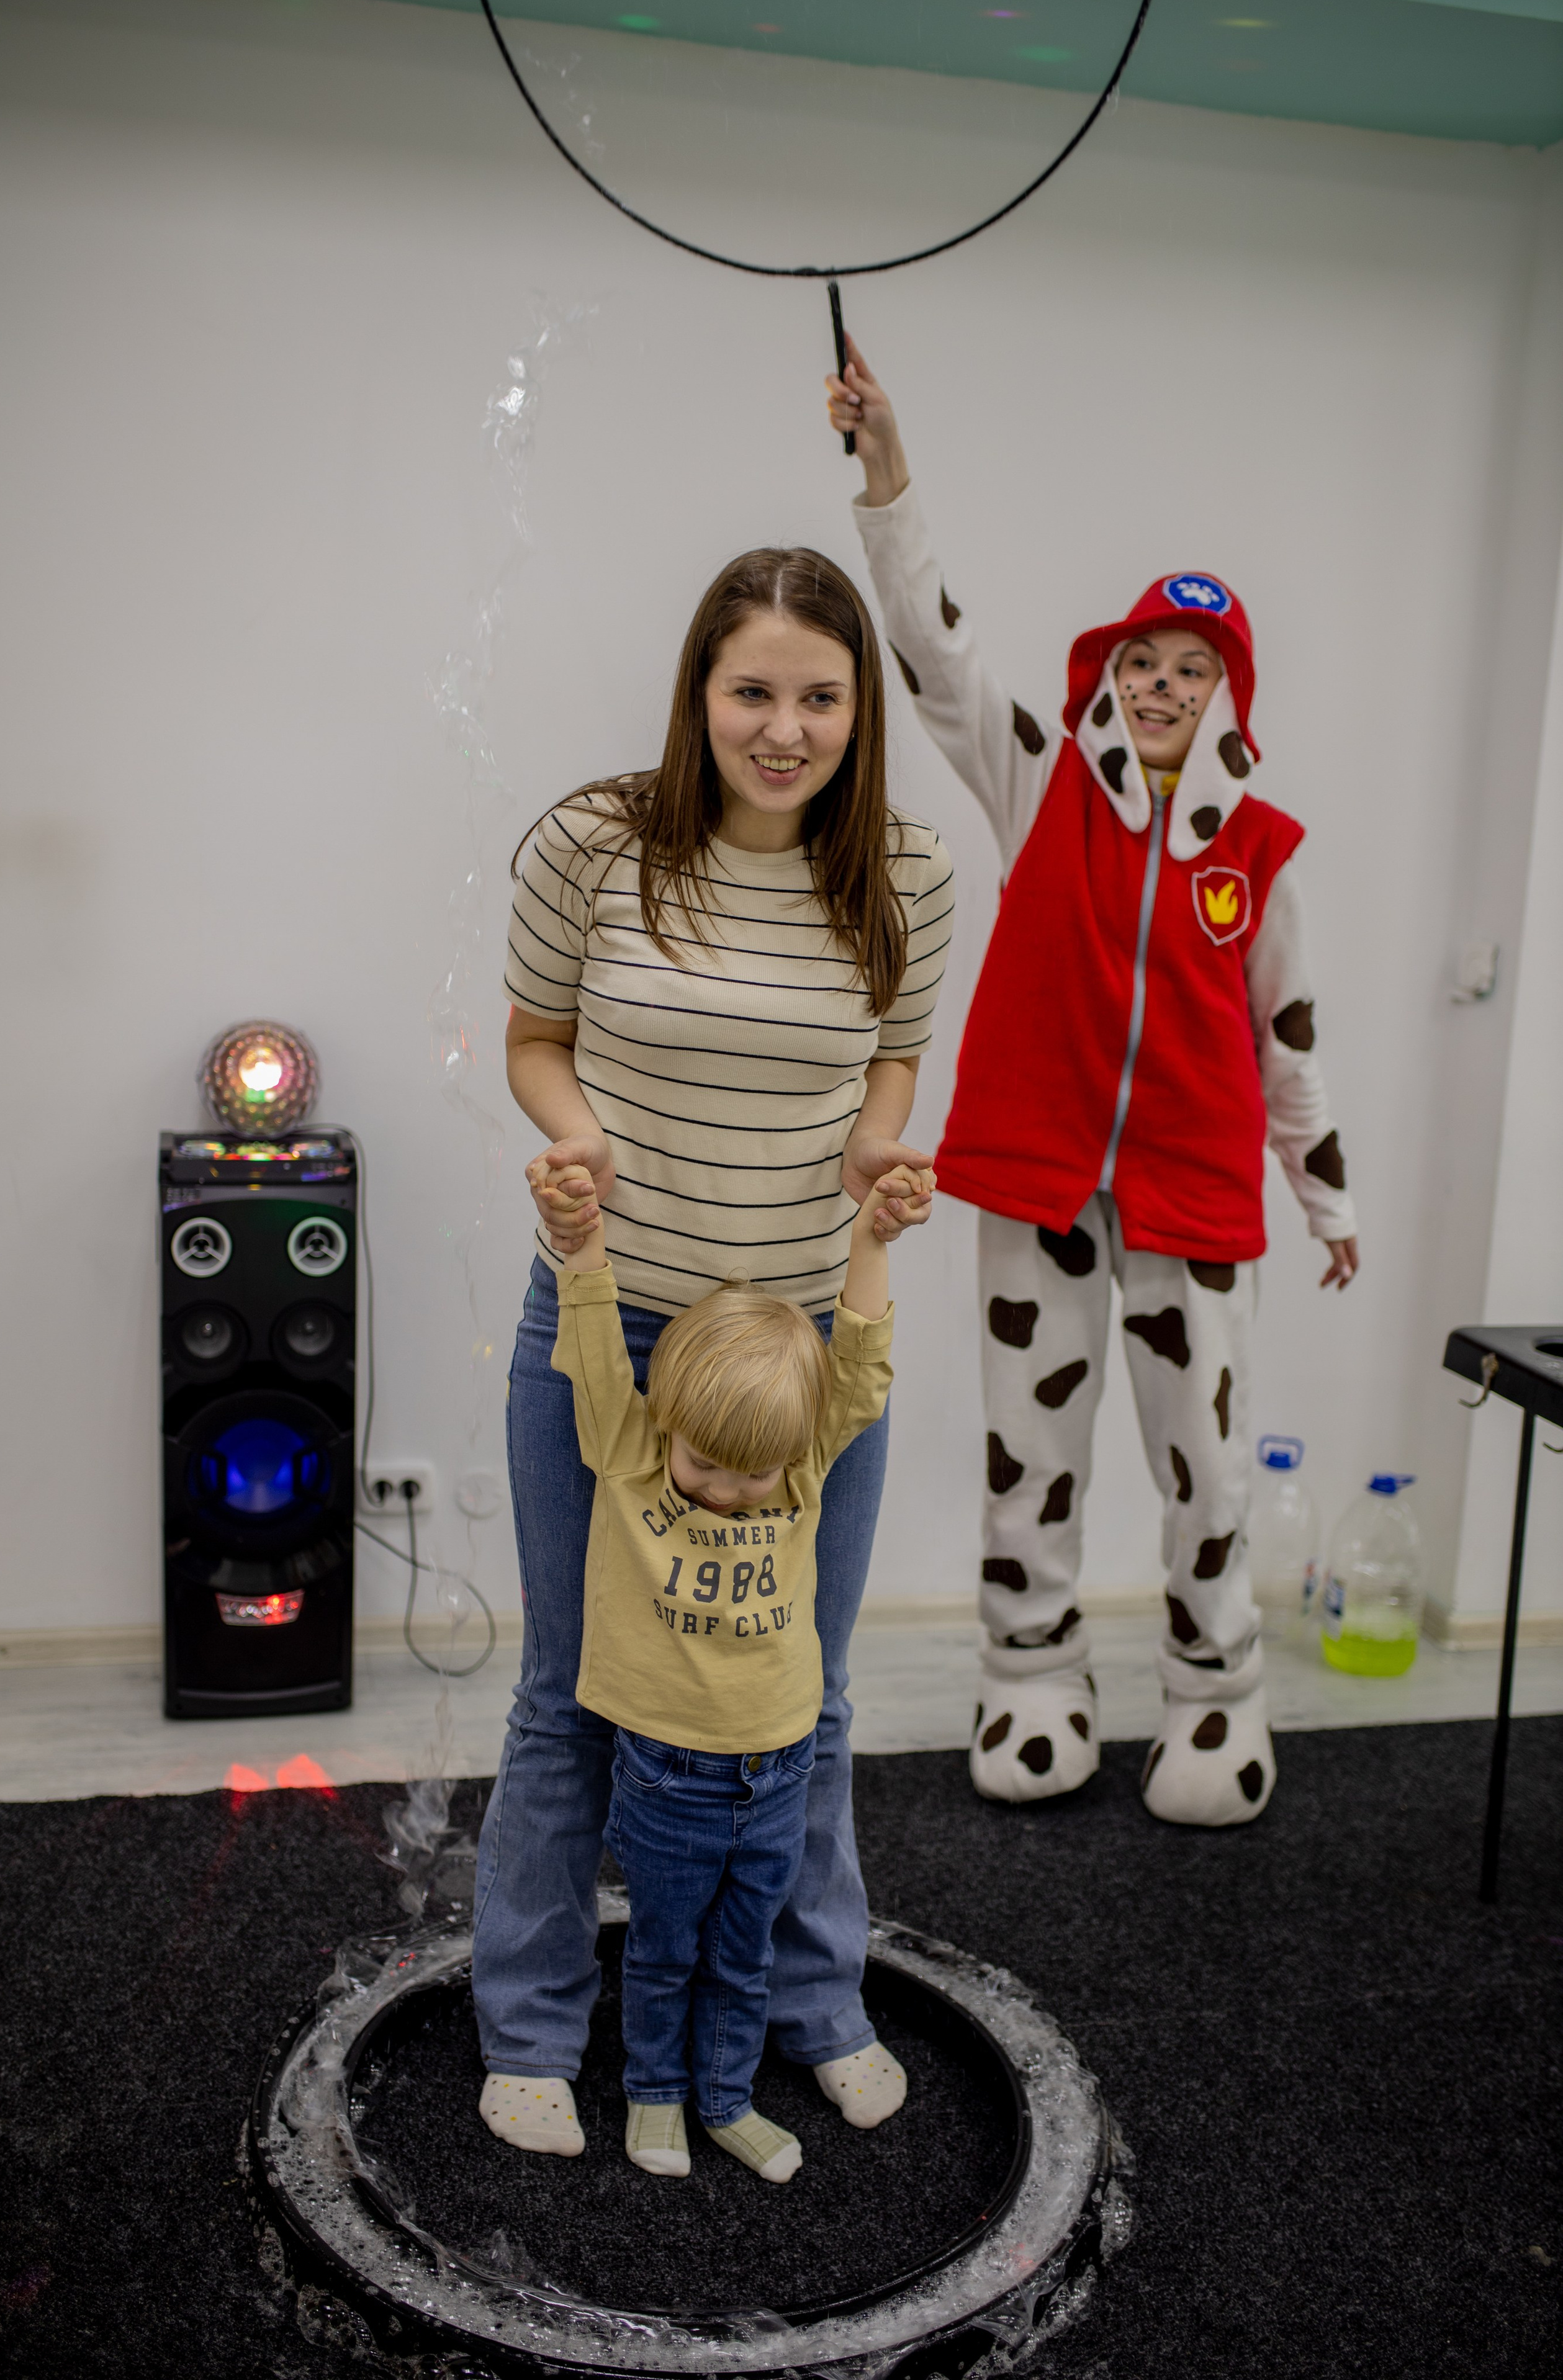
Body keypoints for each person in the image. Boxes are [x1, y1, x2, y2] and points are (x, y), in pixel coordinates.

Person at [824, 344, 1358, 1828]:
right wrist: (887, 468)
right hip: (1039, 1178)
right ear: (1109, 681)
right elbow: (936, 651)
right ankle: (1030, 1677)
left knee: (1202, 1469)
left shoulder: (1257, 857)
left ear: (1227, 695)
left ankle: (1214, 1697)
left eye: (1190, 669)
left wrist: (1325, 1198)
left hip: (1192, 1196)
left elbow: (1288, 1036)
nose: (1161, 686)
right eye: (1140, 664)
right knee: (1028, 1454)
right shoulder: (1040, 782)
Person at [472, 545, 955, 2155]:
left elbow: (885, 1075)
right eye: (753, 690)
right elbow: (538, 1041)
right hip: (614, 1322)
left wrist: (872, 1172)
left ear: (856, 710)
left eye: (820, 697)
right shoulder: (595, 843)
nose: (785, 727)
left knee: (803, 1690)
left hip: (803, 1349)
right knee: (567, 1690)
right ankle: (533, 2028)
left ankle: (812, 2006)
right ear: (699, 692)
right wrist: (579, 1141)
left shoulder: (907, 874)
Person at [538, 1154, 918, 2182]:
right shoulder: (629, 1444)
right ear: (668, 1423)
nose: (722, 1493)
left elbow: (861, 1368)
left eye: (750, 1475)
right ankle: (654, 2099)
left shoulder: (800, 1462)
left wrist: (871, 1241)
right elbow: (593, 1351)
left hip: (778, 1771)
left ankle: (726, 2101)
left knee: (744, 1955)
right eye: (703, 1465)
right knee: (663, 1952)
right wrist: (582, 1247)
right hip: (666, 1776)